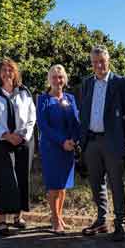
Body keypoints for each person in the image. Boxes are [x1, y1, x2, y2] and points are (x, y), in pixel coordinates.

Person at [79, 45, 125, 241]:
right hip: (91, 141)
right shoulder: (86, 83)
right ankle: (102, 220)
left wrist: (122, 137)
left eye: (101, 61)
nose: (98, 65)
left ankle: (120, 223)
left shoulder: (121, 83)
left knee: (116, 184)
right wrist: (82, 139)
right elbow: (83, 111)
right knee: (96, 183)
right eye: (95, 62)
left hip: (112, 142)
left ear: (108, 61)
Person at [0, 58, 36, 235]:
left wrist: (23, 136)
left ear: (16, 73)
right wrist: (7, 136)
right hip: (2, 142)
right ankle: (1, 220)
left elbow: (32, 117)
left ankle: (18, 216)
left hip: (23, 141)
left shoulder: (24, 92)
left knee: (22, 177)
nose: (7, 73)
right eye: (4, 70)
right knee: (6, 178)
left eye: (10, 70)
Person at [36, 64, 80, 234]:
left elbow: (76, 122)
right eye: (54, 77)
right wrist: (62, 141)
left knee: (63, 186)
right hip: (51, 147)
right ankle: (54, 219)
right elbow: (43, 126)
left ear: (65, 79)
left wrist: (73, 140)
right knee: (54, 186)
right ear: (49, 79)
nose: (58, 80)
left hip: (68, 147)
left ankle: (60, 216)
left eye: (60, 77)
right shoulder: (43, 99)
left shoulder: (70, 98)